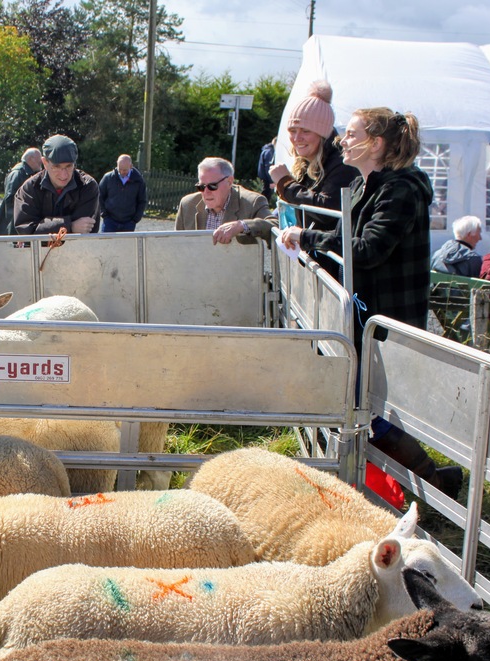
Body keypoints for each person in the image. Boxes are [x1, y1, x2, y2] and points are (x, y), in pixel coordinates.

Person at [279, 107, 462, 498]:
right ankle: (416, 483)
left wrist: (308, 239)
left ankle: (433, 482)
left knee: (375, 410)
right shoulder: (368, 184)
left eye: (352, 133)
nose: (342, 139)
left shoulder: (400, 188)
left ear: (375, 144)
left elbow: (368, 249)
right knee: (366, 406)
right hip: (366, 311)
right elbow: (350, 243)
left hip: (389, 316)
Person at [268, 81, 359, 275]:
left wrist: (286, 184)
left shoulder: (341, 162)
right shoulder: (309, 161)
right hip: (317, 259)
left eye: (306, 131)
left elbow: (327, 209)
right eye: (292, 130)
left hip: (334, 265)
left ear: (323, 134)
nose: (297, 138)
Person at [175, 157, 278, 245]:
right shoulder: (187, 204)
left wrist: (242, 225)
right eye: (201, 187)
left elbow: (275, 225)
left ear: (229, 182)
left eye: (212, 186)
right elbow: (175, 245)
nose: (206, 192)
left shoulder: (252, 202)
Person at [13, 135, 99, 235]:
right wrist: (69, 226)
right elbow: (27, 231)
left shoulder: (87, 186)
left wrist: (46, 227)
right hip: (40, 250)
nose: (64, 175)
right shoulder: (29, 189)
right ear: (45, 162)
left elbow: (84, 229)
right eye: (56, 167)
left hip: (79, 249)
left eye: (68, 166)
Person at [0, 147, 42, 236]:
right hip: (14, 226)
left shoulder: (26, 173)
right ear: (30, 159)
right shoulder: (17, 174)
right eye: (39, 158)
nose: (41, 161)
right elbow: (10, 199)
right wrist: (17, 224)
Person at [98, 154, 147, 233]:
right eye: (119, 169)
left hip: (128, 222)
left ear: (131, 166)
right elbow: (99, 196)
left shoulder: (139, 181)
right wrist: (104, 214)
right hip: (110, 221)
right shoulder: (108, 178)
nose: (122, 172)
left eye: (124, 170)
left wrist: (135, 219)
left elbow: (142, 201)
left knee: (126, 245)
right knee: (106, 244)